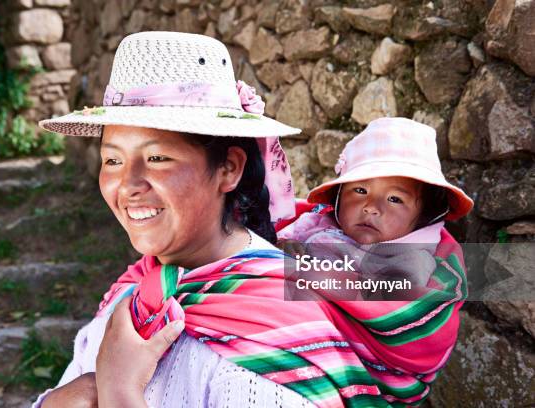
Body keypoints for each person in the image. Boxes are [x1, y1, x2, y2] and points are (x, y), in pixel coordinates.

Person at [33, 32, 470, 407]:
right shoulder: (142, 286)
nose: (127, 184)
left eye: (158, 157)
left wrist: (120, 390)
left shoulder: (278, 338)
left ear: (229, 168)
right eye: (112, 159)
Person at [277, 117, 474, 290]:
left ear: (422, 217)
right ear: (338, 197)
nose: (371, 207)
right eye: (360, 191)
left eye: (394, 199)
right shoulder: (318, 220)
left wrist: (310, 273)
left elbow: (383, 302)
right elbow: (279, 242)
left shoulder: (412, 260)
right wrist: (286, 246)